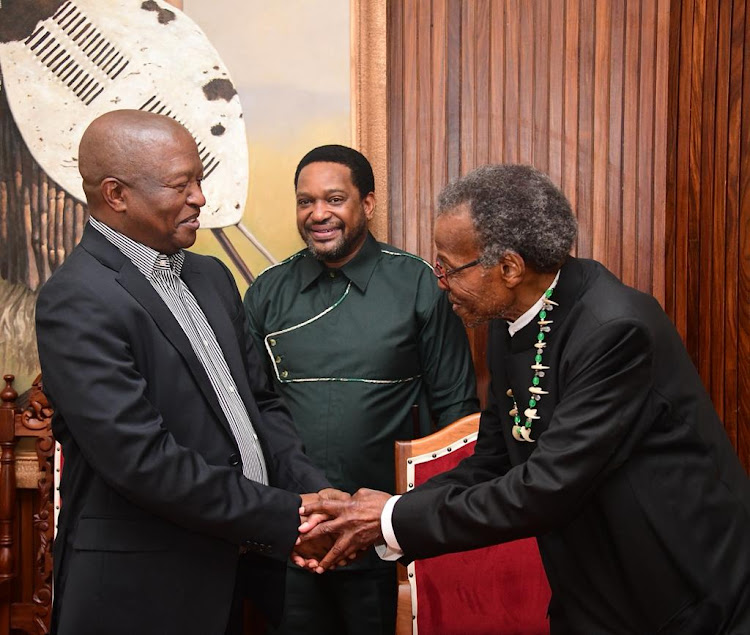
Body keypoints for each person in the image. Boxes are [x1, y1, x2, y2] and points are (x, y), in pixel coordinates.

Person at [300, 164, 750, 634]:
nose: (440, 281)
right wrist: (383, 512)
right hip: (592, 589)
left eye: (448, 267)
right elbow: (493, 460)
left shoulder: (615, 330)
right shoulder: (509, 316)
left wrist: (388, 519)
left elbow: (545, 487)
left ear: (509, 267)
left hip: (680, 594)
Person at [35, 110, 342, 635]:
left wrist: (317, 496)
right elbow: (143, 461)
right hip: (144, 590)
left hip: (241, 572)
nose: (201, 197)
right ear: (116, 194)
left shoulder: (210, 274)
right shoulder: (76, 298)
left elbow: (260, 404)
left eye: (199, 180)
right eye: (183, 185)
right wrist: (285, 514)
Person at [243, 144, 479, 634]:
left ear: (367, 204)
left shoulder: (417, 284)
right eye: (305, 202)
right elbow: (247, 413)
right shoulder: (266, 291)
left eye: (334, 199)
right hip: (292, 537)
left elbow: (457, 415)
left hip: (387, 538)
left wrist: (420, 521)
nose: (318, 214)